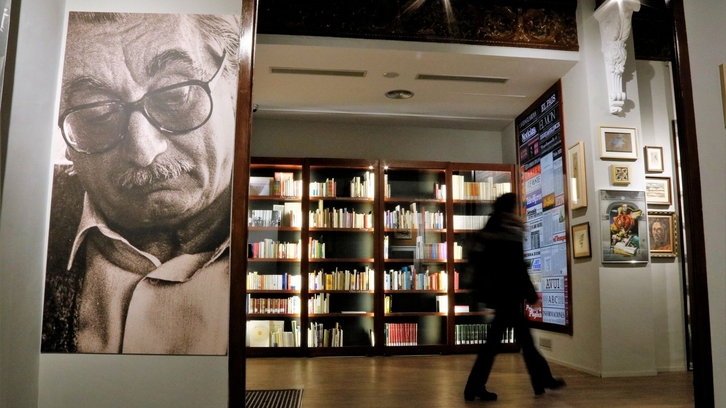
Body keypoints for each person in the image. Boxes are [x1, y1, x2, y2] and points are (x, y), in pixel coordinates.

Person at [41, 12, 240, 355]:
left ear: (236, 85)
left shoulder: (275, 230)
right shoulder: (21, 223)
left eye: (175, 95)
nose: (143, 151)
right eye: (96, 113)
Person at [463, 193, 565, 400]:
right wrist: (531, 295)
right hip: (509, 294)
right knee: (517, 343)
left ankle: (539, 381)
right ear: (511, 208)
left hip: (499, 294)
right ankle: (541, 380)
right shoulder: (510, 229)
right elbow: (517, 267)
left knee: (508, 343)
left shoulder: (491, 228)